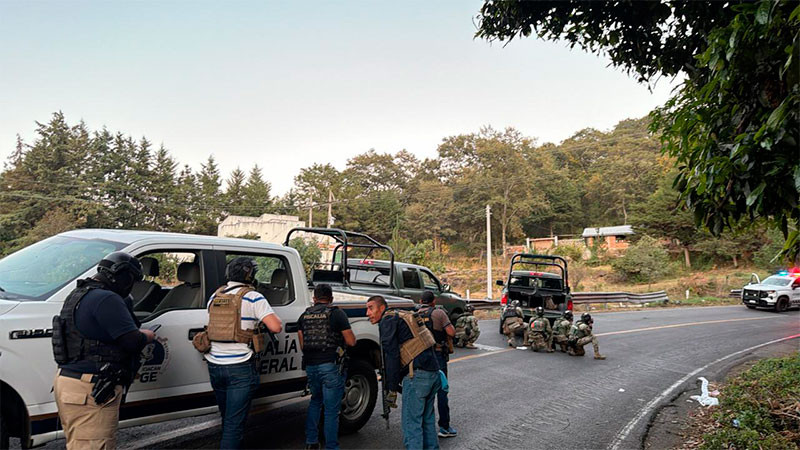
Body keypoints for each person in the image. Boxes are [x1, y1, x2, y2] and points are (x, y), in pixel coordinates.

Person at [52, 251, 156, 450]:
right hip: (92, 387)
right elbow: (131, 341)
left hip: (70, 383)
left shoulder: (79, 294)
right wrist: (147, 336)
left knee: (79, 444)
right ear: (124, 277)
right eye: (132, 280)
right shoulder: (107, 298)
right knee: (94, 445)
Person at [205, 257, 283, 449]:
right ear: (250, 275)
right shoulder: (253, 297)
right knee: (234, 426)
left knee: (227, 419)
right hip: (240, 367)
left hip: (214, 365)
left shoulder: (215, 295)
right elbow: (276, 327)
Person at [366, 295, 440, 450]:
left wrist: (391, 388)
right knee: (427, 421)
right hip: (432, 372)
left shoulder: (387, 320)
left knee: (411, 424)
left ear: (382, 308)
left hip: (416, 376)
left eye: (370, 308)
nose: (367, 313)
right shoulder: (400, 315)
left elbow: (391, 355)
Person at [298, 284, 356, 450]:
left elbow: (303, 345)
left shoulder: (303, 316)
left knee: (315, 402)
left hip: (311, 366)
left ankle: (311, 442)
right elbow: (351, 341)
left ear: (314, 298)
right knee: (331, 410)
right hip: (330, 366)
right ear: (331, 299)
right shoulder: (337, 314)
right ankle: (331, 446)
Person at [417, 291, 458, 439]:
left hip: (420, 356)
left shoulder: (415, 314)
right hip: (438, 356)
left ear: (421, 301)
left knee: (423, 393)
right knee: (441, 391)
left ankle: (421, 428)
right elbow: (451, 332)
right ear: (433, 301)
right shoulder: (439, 313)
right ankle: (444, 427)